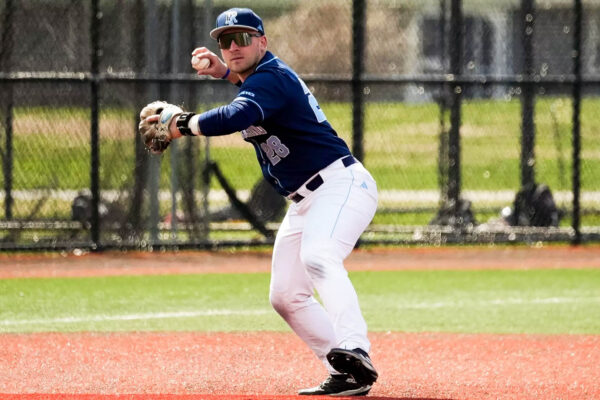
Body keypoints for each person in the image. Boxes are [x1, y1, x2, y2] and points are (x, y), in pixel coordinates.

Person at [139, 8, 379, 396]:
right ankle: (347, 371)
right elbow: (246, 87)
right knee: (285, 295)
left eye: (243, 38)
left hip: (341, 185)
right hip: (304, 200)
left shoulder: (273, 78)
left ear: (263, 42)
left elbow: (240, 113)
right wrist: (223, 72)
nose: (233, 46)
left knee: (318, 257)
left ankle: (355, 346)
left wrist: (183, 123)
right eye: (224, 40)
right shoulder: (258, 77)